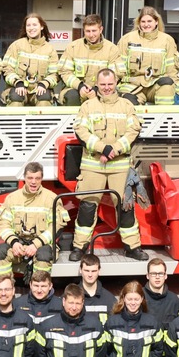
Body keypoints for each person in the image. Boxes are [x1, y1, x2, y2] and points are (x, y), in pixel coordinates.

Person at [69, 68, 147, 262]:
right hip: (93, 165)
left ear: (116, 84)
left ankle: (132, 247)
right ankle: (80, 247)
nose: (106, 88)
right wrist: (103, 148)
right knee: (87, 208)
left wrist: (114, 150)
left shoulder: (127, 105)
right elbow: (81, 130)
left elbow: (133, 131)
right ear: (97, 84)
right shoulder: (87, 106)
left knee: (125, 207)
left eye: (110, 84)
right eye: (102, 85)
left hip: (119, 166)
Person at [0, 161, 69, 281]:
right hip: (18, 243)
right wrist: (14, 243)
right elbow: (4, 223)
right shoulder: (12, 198)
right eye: (30, 178)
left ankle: (39, 293)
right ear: (24, 177)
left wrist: (36, 244)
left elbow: (56, 226)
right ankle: (6, 290)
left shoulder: (51, 198)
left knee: (44, 255)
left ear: (42, 179)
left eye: (37, 178)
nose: (33, 182)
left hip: (42, 245)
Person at [116, 6, 179, 105]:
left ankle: (164, 118)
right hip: (132, 86)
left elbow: (172, 71)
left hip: (156, 86)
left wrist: (178, 94)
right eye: (143, 22)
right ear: (139, 22)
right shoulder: (127, 39)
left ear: (156, 22)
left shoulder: (167, 40)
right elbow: (118, 67)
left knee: (167, 84)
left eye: (149, 21)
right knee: (128, 105)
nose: (146, 25)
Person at [57, 13, 120, 106]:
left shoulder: (112, 49)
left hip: (103, 90)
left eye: (94, 31)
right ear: (84, 31)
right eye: (88, 31)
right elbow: (65, 72)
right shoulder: (73, 47)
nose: (91, 35)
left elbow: (116, 74)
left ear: (101, 29)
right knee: (71, 97)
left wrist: (96, 88)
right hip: (75, 89)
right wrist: (79, 86)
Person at [2, 13, 61, 106]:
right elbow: (6, 69)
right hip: (18, 88)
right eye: (28, 25)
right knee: (15, 98)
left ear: (41, 27)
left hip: (40, 89)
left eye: (34, 25)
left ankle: (42, 121)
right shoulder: (16, 45)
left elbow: (55, 74)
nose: (31, 28)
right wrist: (18, 83)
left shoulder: (50, 49)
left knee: (44, 99)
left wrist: (44, 84)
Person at [78, 253, 117, 327]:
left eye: (93, 271)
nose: (90, 275)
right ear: (80, 270)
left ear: (99, 271)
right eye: (86, 270)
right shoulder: (72, 296)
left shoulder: (109, 299)